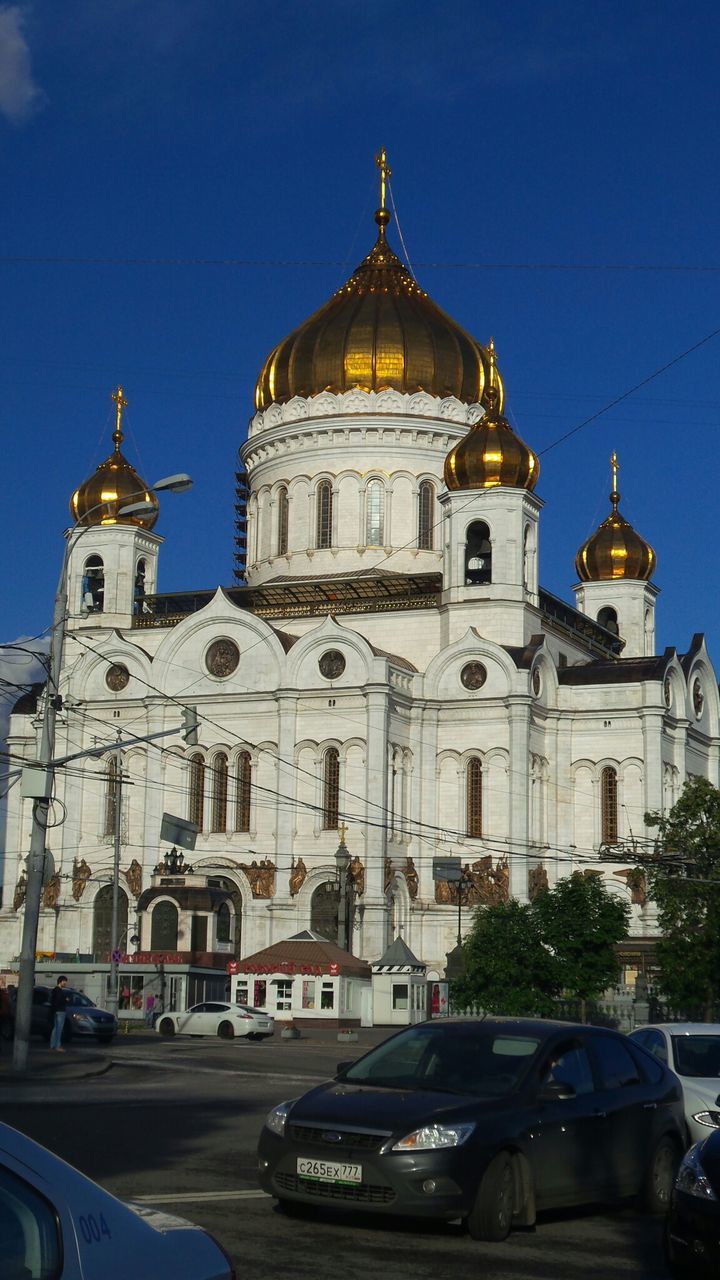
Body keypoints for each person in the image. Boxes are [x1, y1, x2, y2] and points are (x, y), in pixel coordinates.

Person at [49, 976, 69, 1052]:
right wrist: (66, 1000)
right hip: (60, 1011)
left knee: (55, 1028)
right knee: (59, 1029)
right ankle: (57, 1046)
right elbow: (60, 1000)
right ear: (61, 981)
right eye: (64, 981)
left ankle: (52, 1045)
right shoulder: (59, 991)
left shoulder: (54, 990)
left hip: (55, 1011)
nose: (65, 983)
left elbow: (53, 1001)